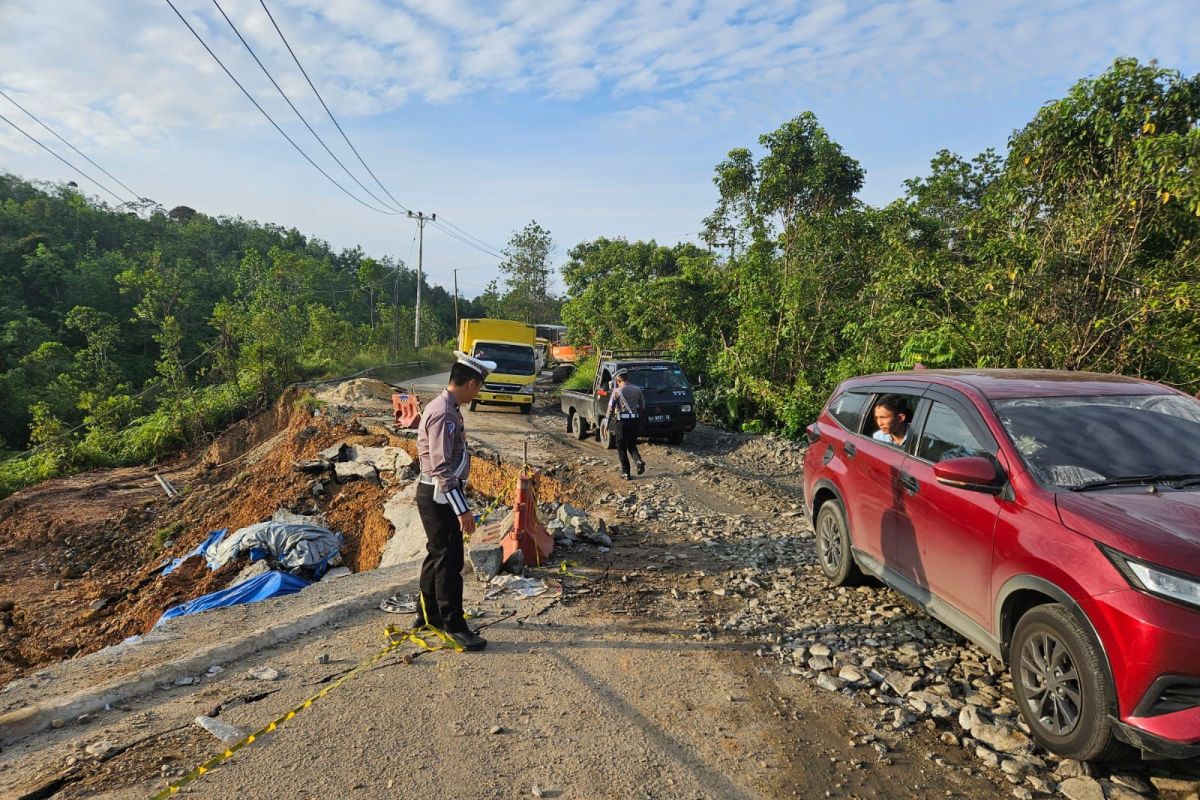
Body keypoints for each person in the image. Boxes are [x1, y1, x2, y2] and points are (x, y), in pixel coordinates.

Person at [414, 351, 496, 651]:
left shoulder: (445, 407)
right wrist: (462, 509)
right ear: (472, 383)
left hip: (436, 493)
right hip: (439, 495)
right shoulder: (444, 413)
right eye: (480, 387)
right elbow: (441, 467)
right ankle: (454, 625)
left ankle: (427, 614)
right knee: (449, 560)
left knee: (436, 555)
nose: (479, 393)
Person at [606, 369, 646, 479]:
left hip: (622, 422)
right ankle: (638, 461)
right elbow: (642, 407)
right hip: (634, 421)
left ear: (618, 381)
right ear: (628, 379)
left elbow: (610, 409)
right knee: (631, 444)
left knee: (621, 446)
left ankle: (626, 472)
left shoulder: (616, 391)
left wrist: (607, 423)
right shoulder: (637, 390)